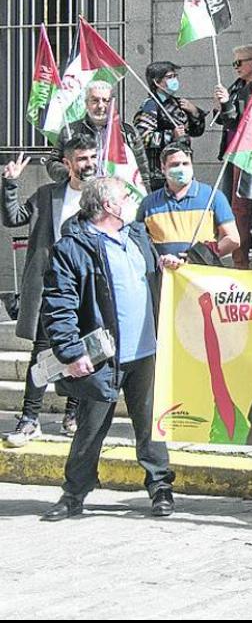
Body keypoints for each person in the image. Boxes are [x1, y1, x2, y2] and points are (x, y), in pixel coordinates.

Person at [39, 176, 176, 521]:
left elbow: (153, 276)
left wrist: (169, 266)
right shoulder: (73, 247)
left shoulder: (137, 235)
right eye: (126, 196)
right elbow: (58, 304)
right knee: (90, 427)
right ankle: (74, 494)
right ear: (108, 206)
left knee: (150, 426)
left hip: (145, 352)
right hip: (103, 358)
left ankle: (160, 487)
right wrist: (71, 351)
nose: (132, 200)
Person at [1, 135, 96, 446]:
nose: (89, 163)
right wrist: (11, 184)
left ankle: (72, 414)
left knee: (82, 351)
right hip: (52, 289)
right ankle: (30, 418)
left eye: (92, 157)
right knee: (42, 353)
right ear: (67, 164)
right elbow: (14, 218)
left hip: (88, 288)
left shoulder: (101, 197)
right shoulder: (47, 196)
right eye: (82, 159)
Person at [137, 144, 239, 262]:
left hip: (202, 274)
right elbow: (137, 240)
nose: (181, 168)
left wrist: (202, 256)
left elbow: (233, 239)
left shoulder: (213, 196)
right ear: (163, 168)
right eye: (175, 164)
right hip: (163, 275)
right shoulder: (148, 203)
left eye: (185, 163)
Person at [46, 80, 151, 188]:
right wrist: (71, 173)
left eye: (106, 100)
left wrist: (146, 199)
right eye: (95, 100)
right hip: (80, 194)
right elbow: (53, 163)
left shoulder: (128, 133)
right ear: (86, 104)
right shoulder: (70, 132)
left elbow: (143, 172)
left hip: (119, 197)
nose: (100, 106)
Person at [212, 44, 252, 268]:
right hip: (236, 155)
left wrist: (227, 107)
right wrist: (222, 105)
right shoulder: (235, 88)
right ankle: (240, 262)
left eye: (239, 63)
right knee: (237, 210)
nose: (236, 68)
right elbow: (226, 120)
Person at [134, 60, 206, 190]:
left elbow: (196, 131)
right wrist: (171, 135)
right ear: (156, 82)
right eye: (169, 77)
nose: (174, 80)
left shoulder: (177, 104)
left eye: (175, 76)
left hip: (182, 165)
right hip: (159, 173)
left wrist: (194, 112)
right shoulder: (151, 105)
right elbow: (142, 137)